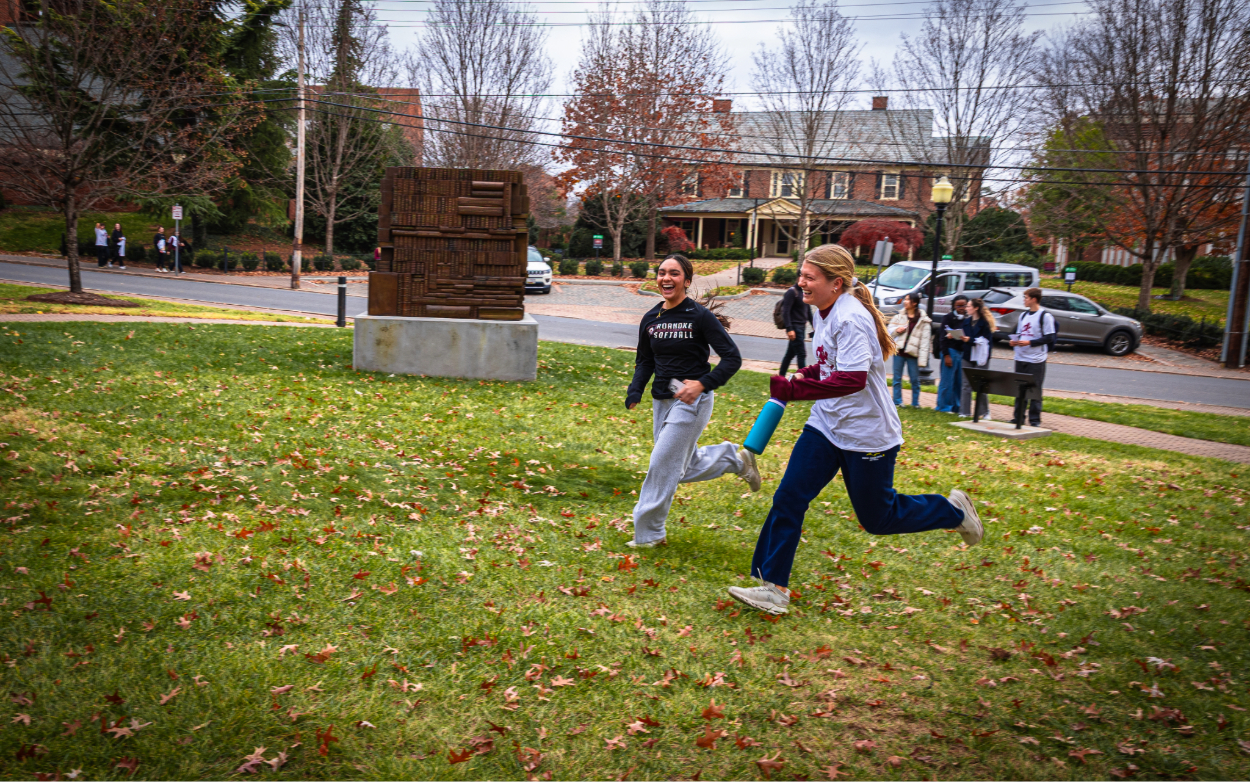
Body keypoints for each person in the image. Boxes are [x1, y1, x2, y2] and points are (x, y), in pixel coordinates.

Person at [728, 244, 982, 616]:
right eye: (801, 274)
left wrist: (795, 390)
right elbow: (828, 365)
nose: (801, 282)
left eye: (809, 277)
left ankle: (952, 511)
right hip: (826, 425)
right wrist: (802, 375)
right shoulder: (825, 311)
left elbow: (851, 380)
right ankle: (773, 587)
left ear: (837, 282)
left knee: (878, 518)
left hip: (867, 435)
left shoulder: (851, 318)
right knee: (789, 498)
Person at [625, 254, 761, 548]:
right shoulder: (651, 318)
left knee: (662, 464)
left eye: (674, 273)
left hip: (693, 401)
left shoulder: (699, 316)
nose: (666, 278)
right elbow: (645, 360)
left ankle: (649, 534)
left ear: (686, 281)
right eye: (661, 273)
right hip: (663, 400)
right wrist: (635, 390)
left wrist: (702, 384)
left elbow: (732, 358)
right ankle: (734, 460)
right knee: (680, 466)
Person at [1008, 287, 1057, 427]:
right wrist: (1014, 341)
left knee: (1034, 390)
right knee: (1019, 388)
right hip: (1021, 357)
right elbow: (1019, 333)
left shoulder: (1045, 316)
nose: (1024, 300)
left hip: (1036, 359)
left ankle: (1035, 420)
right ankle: (1018, 418)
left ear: (1034, 299)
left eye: (1026, 298)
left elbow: (1049, 337)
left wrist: (1030, 342)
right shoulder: (1023, 315)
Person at [886, 292, 931, 407]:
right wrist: (897, 330)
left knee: (915, 380)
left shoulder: (923, 320)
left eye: (907, 299)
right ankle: (897, 401)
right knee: (897, 378)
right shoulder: (899, 316)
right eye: (905, 299)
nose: (905, 302)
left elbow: (925, 341)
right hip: (899, 352)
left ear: (914, 303)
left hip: (913, 354)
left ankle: (915, 403)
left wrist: (923, 360)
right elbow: (889, 332)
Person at [958, 298, 997, 420]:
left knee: (980, 384)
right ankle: (964, 411)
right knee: (965, 385)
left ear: (975, 308)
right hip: (968, 355)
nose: (966, 308)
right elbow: (964, 335)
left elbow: (985, 342)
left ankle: (984, 412)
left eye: (969, 306)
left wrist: (969, 339)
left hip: (981, 357)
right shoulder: (966, 321)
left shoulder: (984, 323)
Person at [935, 295, 968, 413]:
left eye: (964, 305)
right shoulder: (948, 318)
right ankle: (943, 406)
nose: (961, 308)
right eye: (958, 306)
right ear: (954, 306)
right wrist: (946, 355)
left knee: (959, 382)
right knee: (947, 381)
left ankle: (956, 406)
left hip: (962, 352)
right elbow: (942, 339)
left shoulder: (967, 319)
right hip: (950, 351)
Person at [779, 280, 812, 375]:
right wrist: (789, 329)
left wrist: (815, 325)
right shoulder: (792, 292)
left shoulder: (804, 292)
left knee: (789, 355)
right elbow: (786, 312)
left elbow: (808, 311)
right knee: (801, 354)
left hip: (802, 327)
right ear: (799, 278)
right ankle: (804, 381)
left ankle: (781, 377)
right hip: (795, 328)